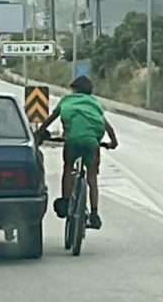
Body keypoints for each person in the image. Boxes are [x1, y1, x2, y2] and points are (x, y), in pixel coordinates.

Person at [34, 75, 118, 229]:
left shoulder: (66, 101)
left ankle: (66, 200)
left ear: (74, 89)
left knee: (68, 167)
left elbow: (50, 119)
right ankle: (94, 213)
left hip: (72, 140)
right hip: (92, 142)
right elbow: (107, 126)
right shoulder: (94, 103)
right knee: (92, 176)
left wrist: (39, 133)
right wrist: (113, 142)